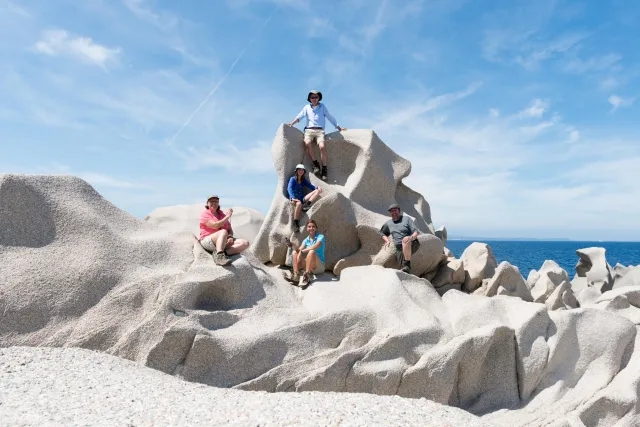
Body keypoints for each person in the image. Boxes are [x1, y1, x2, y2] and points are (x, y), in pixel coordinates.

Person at [288, 90, 346, 181]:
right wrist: (292, 123)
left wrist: (338, 127)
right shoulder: (307, 107)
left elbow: (329, 116)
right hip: (309, 131)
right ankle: (316, 164)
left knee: (322, 147)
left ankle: (324, 169)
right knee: (307, 143)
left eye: (316, 97)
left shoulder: (322, 107)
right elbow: (300, 116)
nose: (314, 99)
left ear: (319, 98)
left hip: (320, 131)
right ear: (309, 99)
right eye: (312, 97)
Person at [199, 195, 250, 265]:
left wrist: (230, 237)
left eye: (216, 201)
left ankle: (222, 253)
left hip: (223, 241)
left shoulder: (221, 214)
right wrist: (227, 216)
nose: (214, 203)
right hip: (208, 241)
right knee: (223, 232)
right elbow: (215, 225)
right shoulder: (204, 214)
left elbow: (229, 229)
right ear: (207, 203)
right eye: (211, 201)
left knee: (245, 243)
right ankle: (219, 256)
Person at [380, 204, 420, 274]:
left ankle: (407, 265)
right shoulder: (389, 223)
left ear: (399, 211)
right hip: (399, 249)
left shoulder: (406, 219)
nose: (393, 213)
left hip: (411, 243)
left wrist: (411, 238)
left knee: (405, 239)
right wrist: (387, 241)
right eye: (392, 211)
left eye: (395, 210)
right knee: (401, 261)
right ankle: (405, 268)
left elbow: (416, 232)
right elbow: (382, 233)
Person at [287, 220, 326, 288]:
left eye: (313, 226)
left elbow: (315, 246)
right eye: (309, 227)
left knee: (311, 251)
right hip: (310, 265)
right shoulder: (306, 240)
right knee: (294, 252)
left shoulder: (320, 237)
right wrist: (293, 245)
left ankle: (307, 277)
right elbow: (299, 250)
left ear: (316, 228)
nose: (311, 228)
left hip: (319, 267)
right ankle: (296, 276)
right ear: (307, 229)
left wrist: (302, 251)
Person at [287, 164, 322, 230]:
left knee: (317, 191)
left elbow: (311, 186)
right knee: (299, 203)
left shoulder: (303, 180)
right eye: (299, 170)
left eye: (302, 170)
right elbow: (289, 188)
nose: (301, 171)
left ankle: (307, 205)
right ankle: (296, 223)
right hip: (294, 198)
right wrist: (292, 197)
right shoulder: (293, 179)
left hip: (302, 198)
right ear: (296, 171)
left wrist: (317, 187)